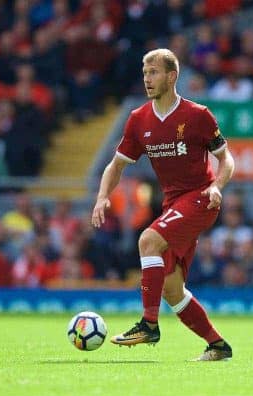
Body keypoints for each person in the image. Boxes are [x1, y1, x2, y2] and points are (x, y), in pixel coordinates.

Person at [91, 48, 235, 361]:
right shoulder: (138, 119)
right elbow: (116, 165)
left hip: (200, 198)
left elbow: (226, 158)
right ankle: (218, 346)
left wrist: (217, 186)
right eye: (145, 74)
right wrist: (102, 196)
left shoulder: (197, 115)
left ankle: (148, 324)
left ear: (172, 76)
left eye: (154, 73)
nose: (148, 79)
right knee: (171, 288)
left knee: (147, 240)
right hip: (173, 205)